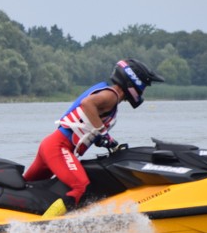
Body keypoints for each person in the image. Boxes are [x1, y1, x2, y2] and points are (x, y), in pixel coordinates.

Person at [23, 58, 165, 216]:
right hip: (59, 147)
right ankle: (43, 229)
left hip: (51, 145)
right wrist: (102, 133)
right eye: (144, 86)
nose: (143, 91)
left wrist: (106, 140)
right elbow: (87, 104)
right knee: (80, 186)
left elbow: (88, 122)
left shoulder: (108, 94)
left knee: (25, 187)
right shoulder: (112, 96)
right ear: (134, 83)